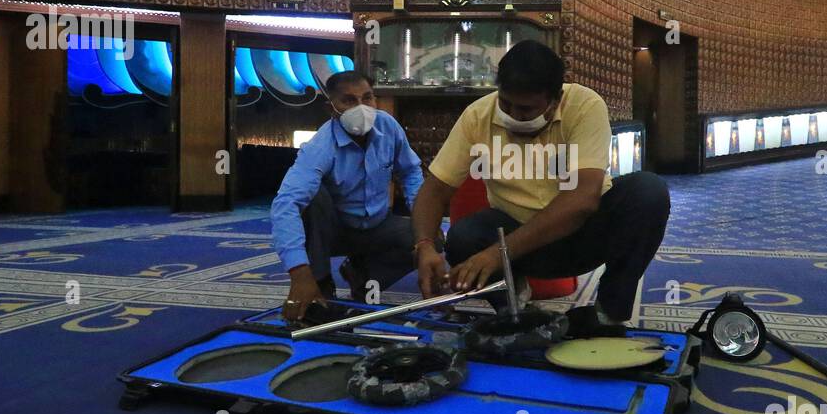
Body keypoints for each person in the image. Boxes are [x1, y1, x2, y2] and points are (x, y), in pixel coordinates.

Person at [410, 41, 670, 328]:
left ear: (556, 98)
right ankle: (515, 307)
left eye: (525, 109)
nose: (512, 115)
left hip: (583, 237)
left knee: (648, 192)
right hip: (518, 239)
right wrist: (424, 245)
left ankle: (609, 313)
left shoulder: (584, 106)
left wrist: (498, 254)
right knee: (464, 236)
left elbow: (582, 199)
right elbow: (435, 189)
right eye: (505, 103)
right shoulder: (477, 115)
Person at [272, 70, 423, 321]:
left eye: (367, 98)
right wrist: (300, 273)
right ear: (331, 108)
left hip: (377, 224)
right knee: (314, 198)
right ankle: (320, 284)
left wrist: (423, 224)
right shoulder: (321, 145)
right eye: (349, 101)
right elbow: (286, 204)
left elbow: (410, 173)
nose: (361, 108)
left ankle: (362, 276)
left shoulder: (388, 126)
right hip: (334, 231)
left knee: (430, 236)